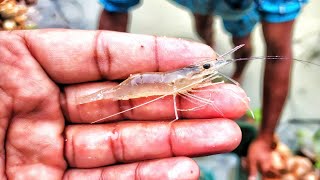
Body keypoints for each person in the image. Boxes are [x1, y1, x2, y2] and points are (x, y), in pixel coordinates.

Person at [97, 0, 308, 178]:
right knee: (202, 24)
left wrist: (265, 137)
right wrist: (103, 75)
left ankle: (235, 70)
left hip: (237, 7)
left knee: (241, 37)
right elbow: (115, 7)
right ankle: (207, 39)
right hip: (197, 9)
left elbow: (279, 55)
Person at [0, 29, 249, 179]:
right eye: (206, 68)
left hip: (154, 82)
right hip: (140, 85)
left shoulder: (187, 76)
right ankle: (94, 100)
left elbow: (194, 78)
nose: (209, 69)